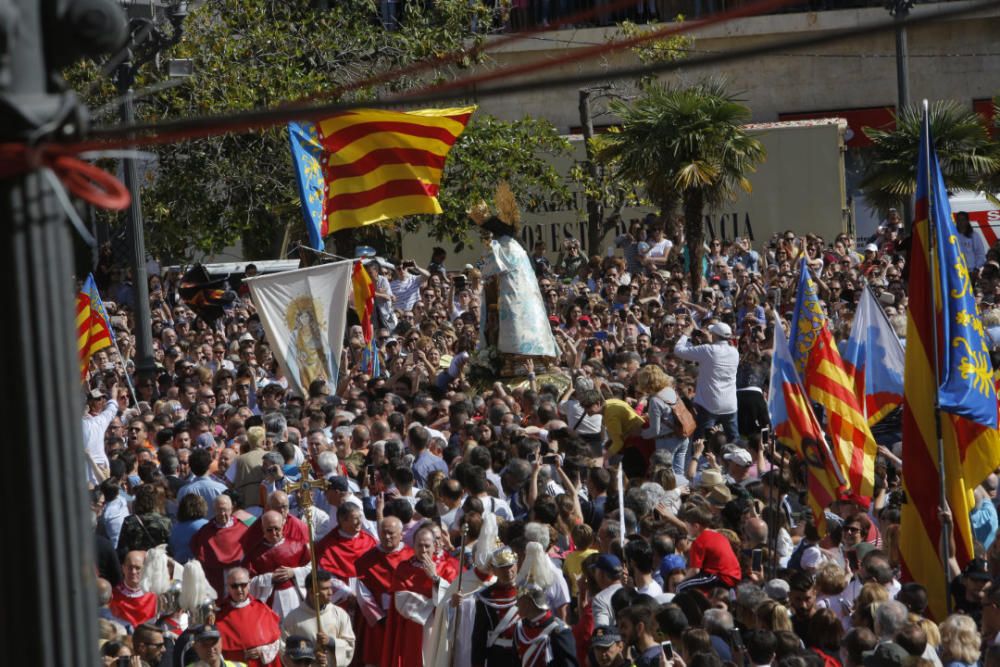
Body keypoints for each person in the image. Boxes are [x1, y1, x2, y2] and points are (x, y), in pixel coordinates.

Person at [471, 185, 558, 375]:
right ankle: (536, 359)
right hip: (519, 298)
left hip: (510, 301)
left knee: (514, 330)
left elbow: (486, 271)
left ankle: (515, 361)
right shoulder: (518, 248)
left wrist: (482, 258)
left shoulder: (501, 246)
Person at [381, 523, 459, 667]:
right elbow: (402, 601)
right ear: (413, 546)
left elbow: (452, 598)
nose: (423, 550)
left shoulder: (446, 567)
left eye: (427, 546)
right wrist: (433, 604)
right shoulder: (404, 568)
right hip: (412, 627)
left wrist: (435, 578)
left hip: (438, 626)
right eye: (419, 545)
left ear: (435, 546)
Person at [354, 516, 414, 667]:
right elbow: (363, 594)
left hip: (404, 618)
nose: (387, 537)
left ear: (401, 534)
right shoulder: (367, 559)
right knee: (376, 657)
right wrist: (380, 617)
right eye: (383, 533)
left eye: (391, 533)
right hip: (378, 620)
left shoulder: (411, 556)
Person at [511, 541, 577, 667]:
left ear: (530, 602)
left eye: (520, 600)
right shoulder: (520, 629)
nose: (516, 605)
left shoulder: (558, 631)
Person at [673, 320, 739, 441]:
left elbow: (678, 351)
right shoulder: (735, 352)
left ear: (714, 335)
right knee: (734, 441)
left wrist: (686, 334)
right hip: (730, 405)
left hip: (710, 405)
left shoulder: (708, 350)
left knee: (702, 442)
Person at [281, 570, 356, 667]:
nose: (330, 592)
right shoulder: (292, 618)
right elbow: (284, 651)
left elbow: (350, 646)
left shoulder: (340, 614)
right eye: (325, 589)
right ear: (312, 591)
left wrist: (331, 642)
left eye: (330, 587)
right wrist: (309, 659)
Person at [246, 510, 311, 619]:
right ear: (263, 529)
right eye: (269, 530)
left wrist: (293, 572)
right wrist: (269, 578)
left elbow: (312, 570)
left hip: (295, 598)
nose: (274, 533)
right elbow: (247, 583)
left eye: (277, 529)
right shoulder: (254, 554)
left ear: (283, 526)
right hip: (270, 601)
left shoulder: (298, 546)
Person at [215, 567, 282, 667]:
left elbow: (277, 641)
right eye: (234, 586)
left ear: (249, 584)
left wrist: (262, 651)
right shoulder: (219, 614)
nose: (239, 590)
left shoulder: (262, 609)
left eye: (243, 585)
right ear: (228, 587)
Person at [316, 502, 378, 606]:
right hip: (343, 598)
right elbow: (325, 575)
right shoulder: (328, 544)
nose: (360, 522)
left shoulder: (369, 540)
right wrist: (346, 592)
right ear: (342, 521)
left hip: (369, 594)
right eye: (355, 518)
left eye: (360, 517)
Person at [471, 546, 520, 667]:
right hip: (498, 656)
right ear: (493, 569)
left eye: (510, 565)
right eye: (502, 567)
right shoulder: (485, 596)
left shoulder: (527, 591)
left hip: (523, 654)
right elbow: (479, 638)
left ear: (517, 565)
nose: (508, 571)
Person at [191, 494, 249, 595]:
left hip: (238, 573)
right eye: (219, 510)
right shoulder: (206, 531)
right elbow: (197, 549)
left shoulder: (242, 529)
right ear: (214, 510)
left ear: (231, 509)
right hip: (215, 576)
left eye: (225, 510)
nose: (222, 513)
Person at [110, 550, 159, 629]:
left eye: (138, 568)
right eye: (130, 567)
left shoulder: (154, 596)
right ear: (123, 568)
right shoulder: (113, 595)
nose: (133, 571)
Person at [83, 384, 119, 484]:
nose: (102, 401)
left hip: (100, 471)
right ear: (89, 403)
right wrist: (114, 397)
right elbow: (111, 410)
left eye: (104, 398)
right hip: (89, 475)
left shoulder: (99, 420)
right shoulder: (96, 422)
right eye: (98, 399)